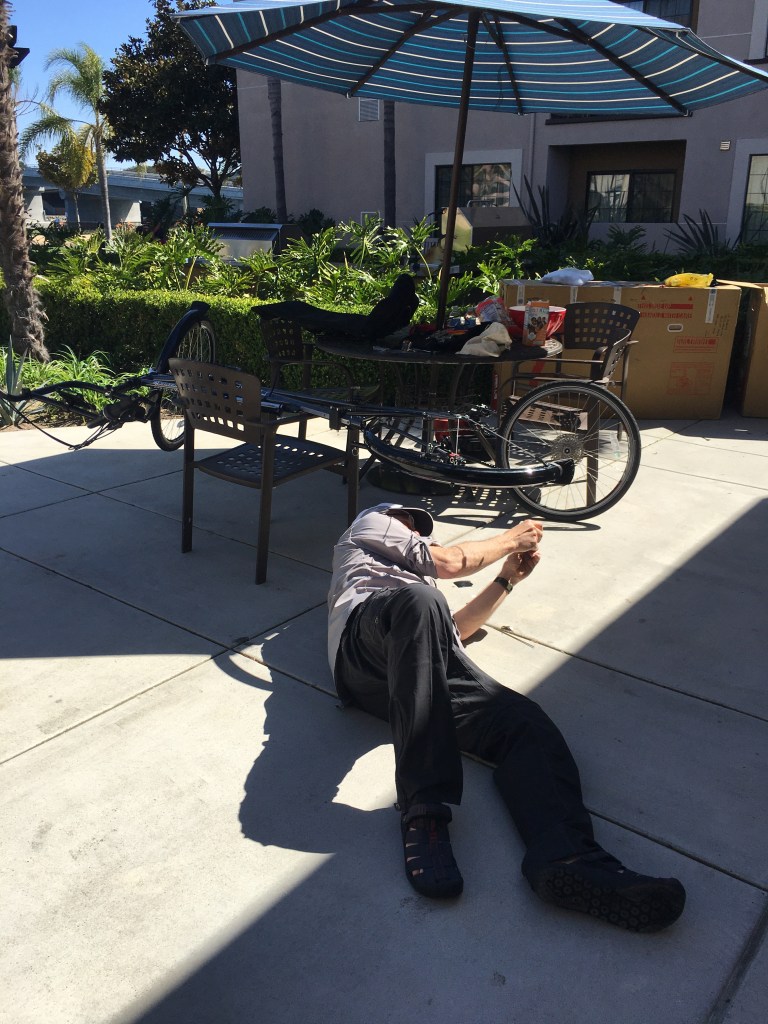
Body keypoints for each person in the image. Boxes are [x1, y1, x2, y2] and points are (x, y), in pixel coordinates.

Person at [327, 502, 686, 933]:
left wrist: (507, 579)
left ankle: (567, 856)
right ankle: (424, 812)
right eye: (406, 521)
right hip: (363, 651)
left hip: (418, 664)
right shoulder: (367, 529)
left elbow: (456, 630)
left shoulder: (420, 586)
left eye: (420, 529)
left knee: (524, 723)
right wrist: (512, 538)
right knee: (421, 600)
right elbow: (448, 562)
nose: (415, 531)